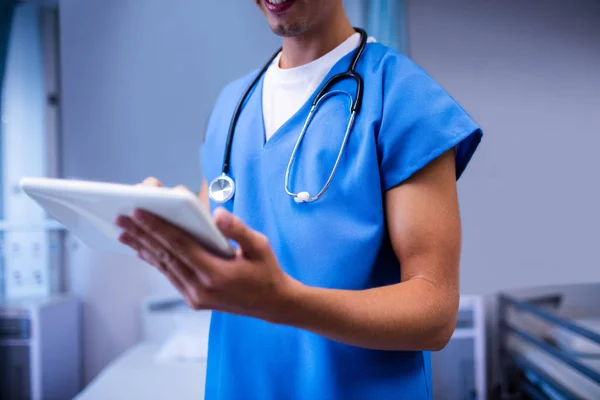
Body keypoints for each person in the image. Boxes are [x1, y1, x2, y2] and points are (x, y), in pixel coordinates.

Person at [116, 0, 483, 398]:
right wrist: (164, 220)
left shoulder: (402, 98)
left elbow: (435, 312)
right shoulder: (232, 105)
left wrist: (286, 303)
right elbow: (218, 228)